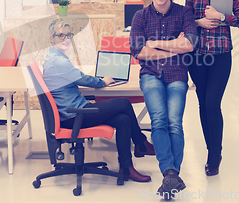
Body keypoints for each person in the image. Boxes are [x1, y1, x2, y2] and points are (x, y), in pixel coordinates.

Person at [43, 18, 155, 183]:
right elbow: (83, 79)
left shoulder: (53, 58)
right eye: (60, 35)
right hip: (75, 116)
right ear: (51, 38)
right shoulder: (59, 62)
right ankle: (141, 142)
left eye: (68, 35)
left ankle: (126, 168)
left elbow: (75, 78)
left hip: (73, 112)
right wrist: (103, 81)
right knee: (124, 103)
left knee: (123, 120)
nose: (65, 39)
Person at [130, 0, 198, 197]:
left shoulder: (184, 12)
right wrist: (173, 45)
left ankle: (171, 175)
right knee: (159, 121)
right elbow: (138, 52)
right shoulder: (140, 16)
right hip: (151, 75)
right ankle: (170, 173)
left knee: (174, 122)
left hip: (178, 74)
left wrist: (156, 45)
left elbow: (189, 45)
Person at [185, 0, 239, 176]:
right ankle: (212, 151)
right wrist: (200, 22)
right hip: (197, 56)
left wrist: (220, 16)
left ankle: (214, 155)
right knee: (203, 105)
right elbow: (186, 21)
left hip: (220, 55)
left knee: (212, 104)